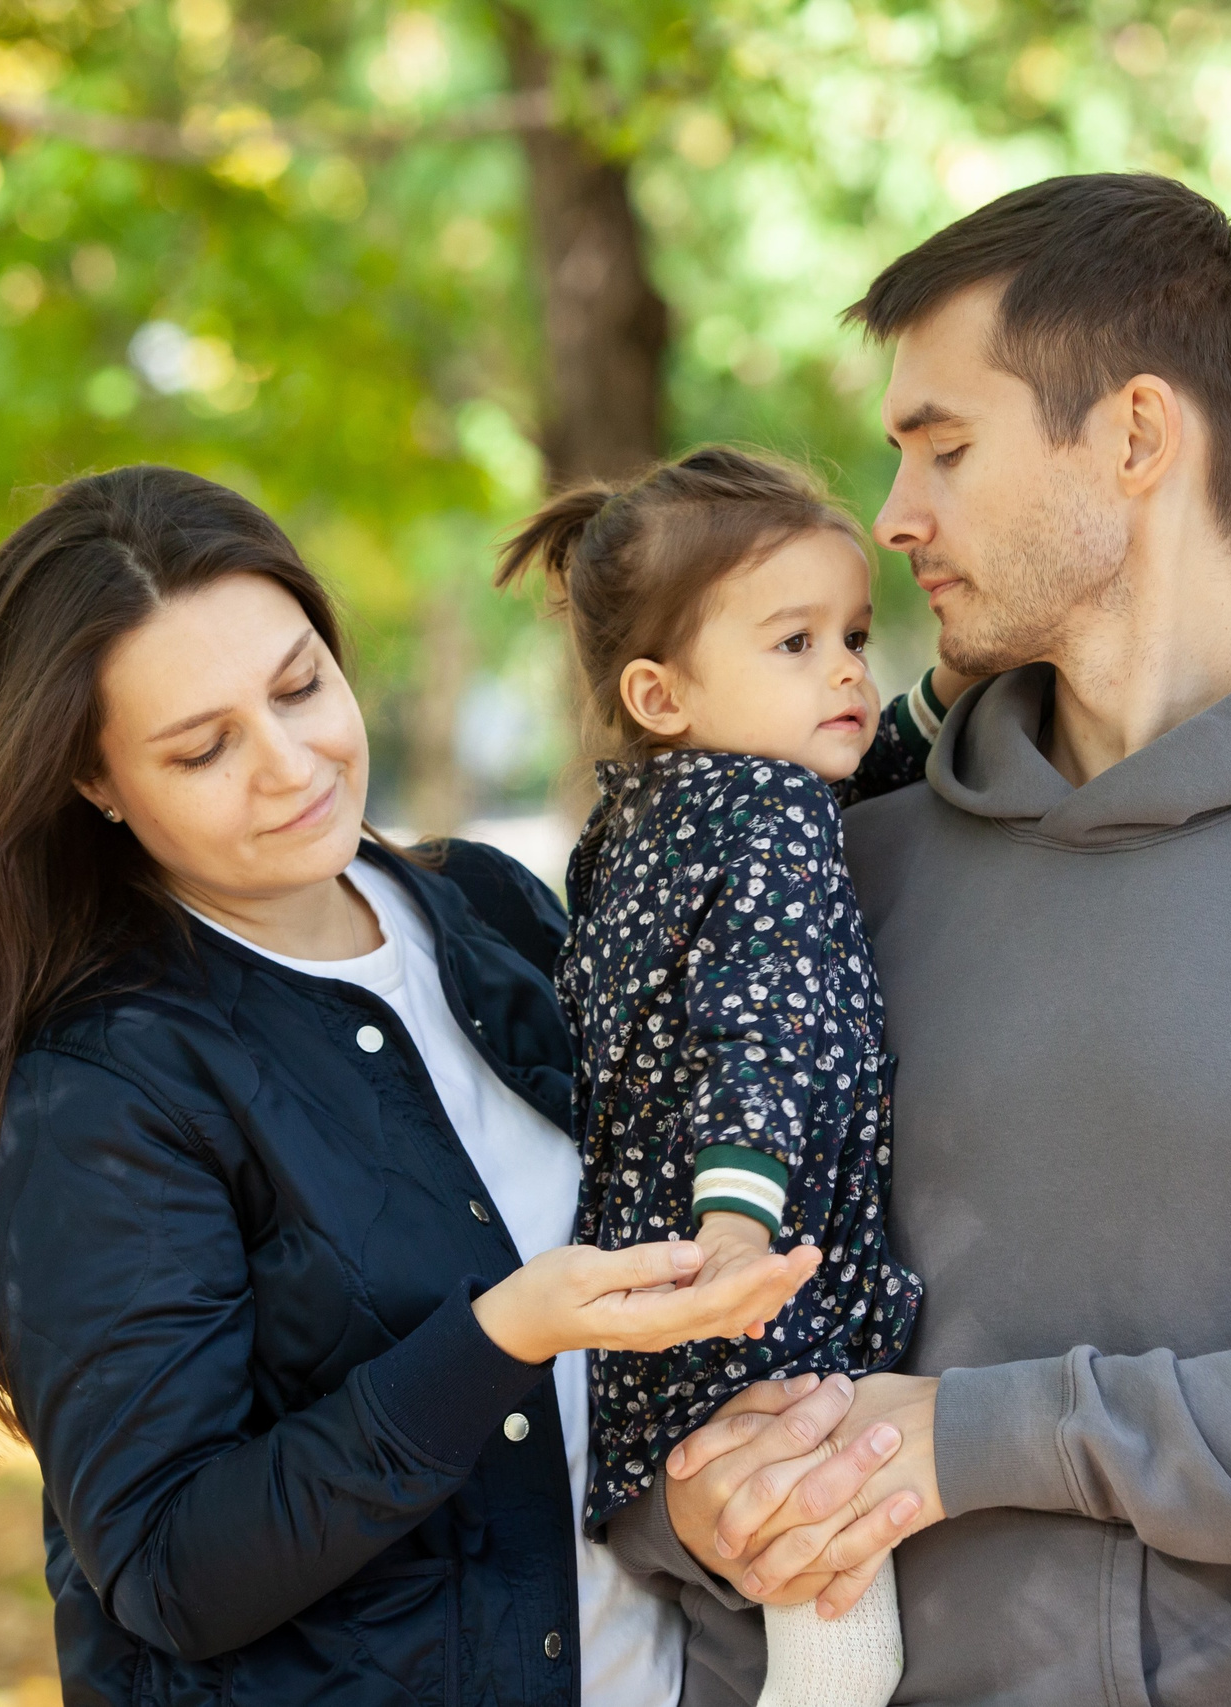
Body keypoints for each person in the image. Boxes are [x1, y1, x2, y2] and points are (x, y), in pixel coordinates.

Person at [606, 173, 1231, 1705]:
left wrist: (979, 1439)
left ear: (1135, 438)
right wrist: (685, 1501)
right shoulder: (833, 878)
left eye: (945, 446)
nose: (894, 520)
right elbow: (640, 1268)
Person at [0, 464, 826, 1706]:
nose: (290, 765)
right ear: (95, 785)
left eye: (299, 685)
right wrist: (504, 1336)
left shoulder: (489, 909)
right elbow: (171, 1570)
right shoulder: (107, 1086)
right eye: (203, 748)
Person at [493, 446, 969, 1707]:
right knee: (839, 1627)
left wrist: (927, 706)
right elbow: (757, 1026)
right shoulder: (773, 826)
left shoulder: (633, 822)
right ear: (659, 690)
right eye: (796, 644)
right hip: (754, 1296)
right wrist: (738, 1216)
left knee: (728, 1630)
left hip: (646, 1315)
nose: (850, 672)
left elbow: (843, 765)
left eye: (855, 635)